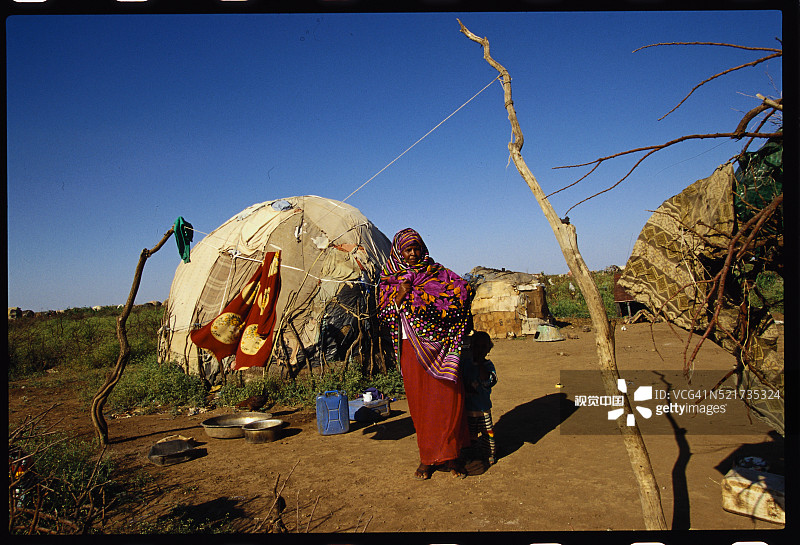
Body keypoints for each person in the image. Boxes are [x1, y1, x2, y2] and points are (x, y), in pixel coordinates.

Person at [377, 228, 473, 479]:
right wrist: (402, 292)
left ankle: (453, 457)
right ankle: (428, 458)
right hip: (411, 348)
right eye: (407, 249)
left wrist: (420, 294)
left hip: (441, 347)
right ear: (399, 251)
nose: (412, 254)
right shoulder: (389, 279)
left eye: (416, 248)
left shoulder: (437, 272)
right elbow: (385, 314)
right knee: (421, 405)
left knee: (448, 400)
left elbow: (461, 292)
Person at [462, 331, 498, 465]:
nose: (480, 350)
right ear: (471, 347)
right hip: (469, 408)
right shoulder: (466, 364)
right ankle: (472, 455)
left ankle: (490, 454)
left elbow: (488, 380)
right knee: (470, 435)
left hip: (483, 408)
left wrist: (480, 364)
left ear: (489, 349)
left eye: (484, 347)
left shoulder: (489, 366)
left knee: (488, 434)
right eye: (477, 346)